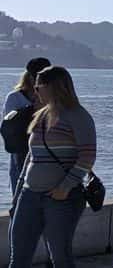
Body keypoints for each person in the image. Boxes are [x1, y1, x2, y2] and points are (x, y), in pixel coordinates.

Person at [7, 66, 94, 268]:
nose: (35, 91)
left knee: (60, 257)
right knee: (18, 255)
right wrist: (19, 192)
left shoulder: (78, 115)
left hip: (61, 198)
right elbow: (32, 156)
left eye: (39, 87)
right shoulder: (40, 115)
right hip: (29, 194)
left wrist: (65, 187)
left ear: (55, 87)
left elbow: (87, 155)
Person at [3, 57, 51, 215]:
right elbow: (8, 130)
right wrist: (32, 110)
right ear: (30, 77)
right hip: (21, 157)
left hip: (46, 160)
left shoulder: (52, 98)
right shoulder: (15, 98)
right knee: (20, 208)